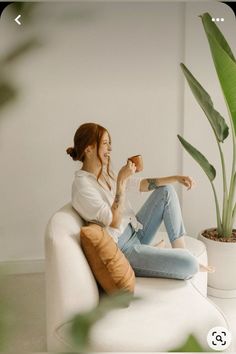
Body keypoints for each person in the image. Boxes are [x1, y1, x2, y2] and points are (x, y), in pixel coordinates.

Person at [67, 123, 215, 280]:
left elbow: (142, 185)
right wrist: (121, 182)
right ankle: (168, 256)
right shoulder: (82, 187)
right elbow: (114, 222)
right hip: (123, 248)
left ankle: (180, 251)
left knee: (167, 191)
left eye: (110, 143)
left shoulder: (105, 173)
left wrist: (177, 178)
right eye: (105, 143)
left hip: (136, 230)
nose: (110, 149)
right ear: (88, 149)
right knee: (191, 265)